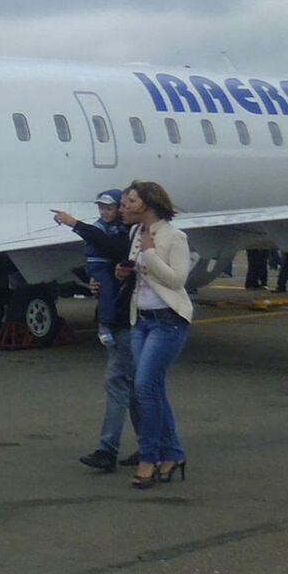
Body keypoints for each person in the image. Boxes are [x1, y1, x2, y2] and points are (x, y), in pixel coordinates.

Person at [54, 189, 138, 472]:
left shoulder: (130, 236)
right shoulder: (124, 235)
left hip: (132, 322)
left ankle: (109, 450)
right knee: (137, 388)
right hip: (126, 319)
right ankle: (155, 446)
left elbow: (112, 249)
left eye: (126, 205)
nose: (121, 210)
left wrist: (75, 224)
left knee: (121, 384)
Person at [122, 181, 192, 490]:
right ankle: (173, 453)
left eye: (131, 201)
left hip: (168, 321)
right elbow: (144, 276)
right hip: (143, 320)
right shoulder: (135, 234)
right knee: (153, 390)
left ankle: (149, 457)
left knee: (144, 389)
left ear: (148, 205)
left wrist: (149, 257)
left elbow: (177, 280)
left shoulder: (174, 236)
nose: (124, 206)